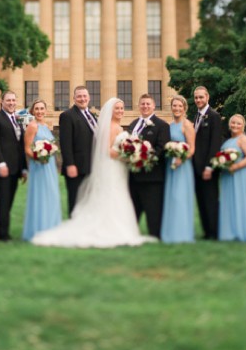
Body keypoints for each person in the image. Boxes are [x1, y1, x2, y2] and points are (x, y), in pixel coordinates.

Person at [32, 98, 153, 248]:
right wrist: (129, 156)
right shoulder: (111, 127)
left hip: (118, 169)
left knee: (118, 195)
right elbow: (107, 150)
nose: (121, 111)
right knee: (112, 195)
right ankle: (110, 229)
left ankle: (118, 227)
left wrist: (131, 155)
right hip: (112, 167)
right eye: (117, 109)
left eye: (122, 108)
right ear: (110, 111)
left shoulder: (119, 127)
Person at [127, 93, 171, 238]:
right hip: (134, 175)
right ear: (139, 106)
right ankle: (132, 234)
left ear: (153, 106)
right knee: (133, 209)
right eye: (143, 104)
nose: (145, 106)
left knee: (153, 209)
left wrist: (145, 159)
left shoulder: (162, 125)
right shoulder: (133, 125)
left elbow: (161, 148)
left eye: (148, 104)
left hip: (152, 176)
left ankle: (155, 235)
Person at [0, 90, 27, 241]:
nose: (11, 103)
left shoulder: (17, 119)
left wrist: (23, 168)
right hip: (3, 168)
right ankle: (2, 235)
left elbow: (20, 145)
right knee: (4, 201)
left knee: (9, 201)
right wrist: (1, 164)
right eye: (8, 100)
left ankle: (5, 231)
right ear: (1, 102)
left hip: (16, 169)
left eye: (13, 100)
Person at [218, 114, 246, 242]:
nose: (235, 125)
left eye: (238, 123)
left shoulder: (244, 140)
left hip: (241, 175)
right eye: (233, 123)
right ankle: (231, 231)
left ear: (243, 126)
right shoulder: (227, 141)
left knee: (242, 201)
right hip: (228, 176)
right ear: (229, 125)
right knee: (230, 201)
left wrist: (236, 166)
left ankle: (244, 231)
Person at [21, 99, 62, 241]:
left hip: (49, 165)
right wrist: (38, 157)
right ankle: (38, 228)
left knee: (51, 194)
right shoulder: (32, 126)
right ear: (32, 111)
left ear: (45, 110)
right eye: (36, 109)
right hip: (38, 165)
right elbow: (27, 148)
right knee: (40, 195)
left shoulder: (45, 126)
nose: (39, 111)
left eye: (41, 109)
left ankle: (50, 227)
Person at [161, 95, 196, 243]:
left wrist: (181, 158)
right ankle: (170, 232)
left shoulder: (187, 125)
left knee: (180, 197)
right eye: (174, 106)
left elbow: (192, 148)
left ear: (184, 108)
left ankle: (183, 233)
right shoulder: (169, 125)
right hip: (171, 165)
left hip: (182, 166)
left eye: (179, 106)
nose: (176, 108)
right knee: (171, 197)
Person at [58, 85, 98, 216]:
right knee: (75, 201)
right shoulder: (67, 116)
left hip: (91, 166)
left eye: (84, 96)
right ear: (74, 98)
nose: (82, 99)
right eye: (79, 96)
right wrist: (70, 164)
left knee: (89, 202)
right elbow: (65, 143)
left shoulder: (92, 117)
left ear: (89, 98)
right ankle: (73, 230)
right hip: (76, 167)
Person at [191, 86, 224, 240]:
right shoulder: (195, 117)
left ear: (207, 97)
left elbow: (215, 143)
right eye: (196, 97)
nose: (198, 100)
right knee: (201, 201)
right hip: (196, 168)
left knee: (211, 201)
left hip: (208, 168)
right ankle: (206, 232)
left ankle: (214, 232)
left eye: (201, 97)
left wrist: (209, 166)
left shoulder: (214, 116)